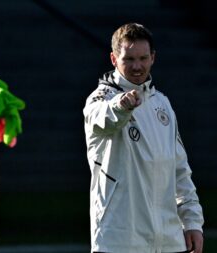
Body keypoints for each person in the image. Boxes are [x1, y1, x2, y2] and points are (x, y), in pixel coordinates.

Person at [83, 23, 204, 253]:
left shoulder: (162, 103)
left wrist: (192, 222)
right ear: (113, 59)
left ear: (153, 58)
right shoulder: (99, 99)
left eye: (143, 58)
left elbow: (179, 170)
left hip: (168, 241)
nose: (137, 66)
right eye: (128, 59)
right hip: (119, 241)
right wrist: (121, 106)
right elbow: (104, 118)